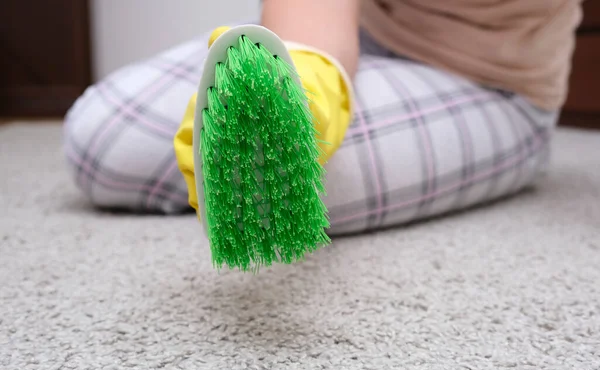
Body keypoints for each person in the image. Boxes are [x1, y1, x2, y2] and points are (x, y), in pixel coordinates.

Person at [64, 0, 583, 236]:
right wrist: (307, 76)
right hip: (361, 37)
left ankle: (522, 152)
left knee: (269, 188)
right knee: (103, 135)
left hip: (488, 78)